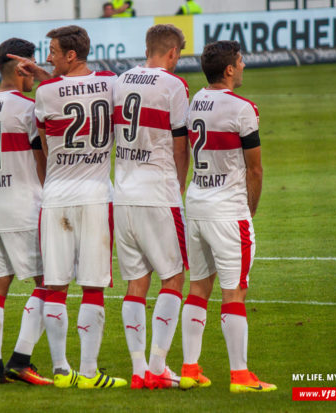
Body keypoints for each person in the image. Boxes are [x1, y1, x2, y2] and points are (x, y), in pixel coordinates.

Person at [34, 25, 127, 389]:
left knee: (55, 285)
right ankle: (89, 373)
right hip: (96, 196)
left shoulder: (44, 92)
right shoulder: (110, 82)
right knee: (93, 286)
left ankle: (60, 370)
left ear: (70, 55)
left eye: (54, 51)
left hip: (55, 196)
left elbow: (43, 143)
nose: (48, 57)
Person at [183, 40, 276, 392]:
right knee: (234, 292)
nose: (245, 65)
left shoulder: (195, 101)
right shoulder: (242, 108)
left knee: (198, 288)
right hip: (227, 210)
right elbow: (256, 170)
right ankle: (240, 375)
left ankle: (190, 369)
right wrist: (248, 213)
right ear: (229, 70)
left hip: (196, 203)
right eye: (241, 61)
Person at [112, 24, 190, 390]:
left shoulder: (120, 80)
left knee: (136, 282)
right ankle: (159, 365)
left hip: (122, 195)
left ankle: (139, 369)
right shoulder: (174, 86)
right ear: (172, 52)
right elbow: (179, 145)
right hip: (157, 194)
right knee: (173, 276)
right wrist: (179, 189)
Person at [0, 38, 52, 386]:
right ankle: (21, 359)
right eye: (32, 66)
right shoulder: (27, 108)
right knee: (48, 283)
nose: (34, 74)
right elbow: (42, 159)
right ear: (23, 67)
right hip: (24, 205)